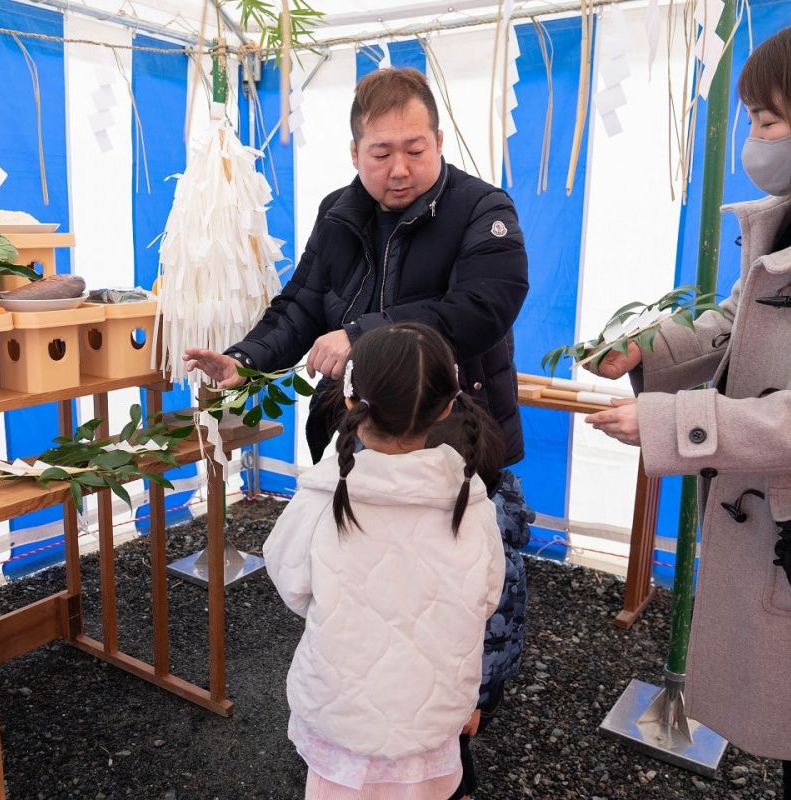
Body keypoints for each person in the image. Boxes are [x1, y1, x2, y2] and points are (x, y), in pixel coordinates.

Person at [184, 69, 534, 790]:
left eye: (414, 149)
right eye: (380, 152)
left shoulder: (482, 209)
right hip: (362, 449)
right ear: (354, 152)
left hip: (454, 447)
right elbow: (303, 300)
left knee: (459, 601)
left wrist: (364, 334)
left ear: (438, 142)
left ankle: (453, 736)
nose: (398, 167)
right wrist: (247, 359)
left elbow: (485, 306)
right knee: (369, 609)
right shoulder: (340, 212)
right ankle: (358, 727)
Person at [586, 7, 791, 798]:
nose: (755, 138)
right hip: (777, 517)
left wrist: (676, 424)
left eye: (767, 117)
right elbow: (743, 323)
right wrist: (650, 351)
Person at [263, 323, 506, 799]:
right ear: (448, 406)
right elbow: (487, 597)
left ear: (350, 400)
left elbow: (291, 583)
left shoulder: (323, 493)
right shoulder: (470, 500)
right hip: (435, 717)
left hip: (343, 717)